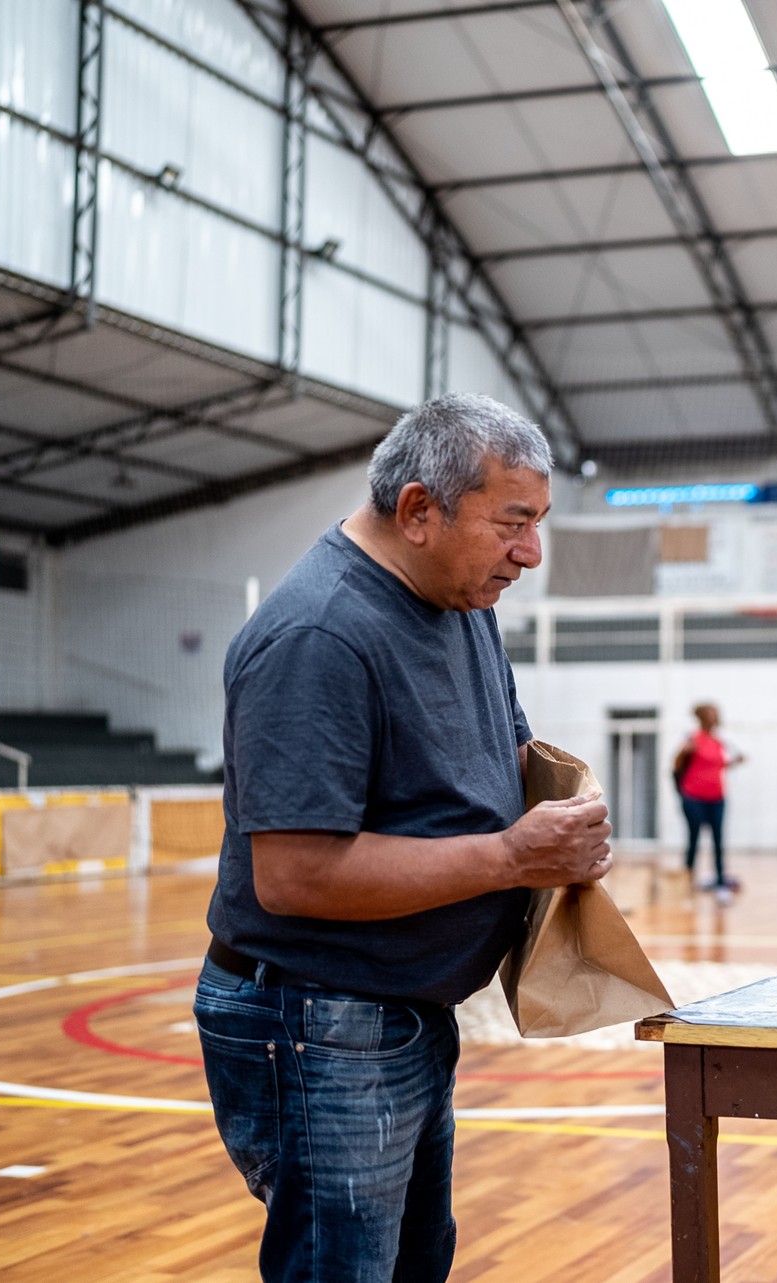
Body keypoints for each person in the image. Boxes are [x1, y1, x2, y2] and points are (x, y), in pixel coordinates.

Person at [194, 393, 615, 1283]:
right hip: (317, 1019)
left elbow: (504, 753)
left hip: (399, 1013)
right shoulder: (319, 635)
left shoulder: (462, 598)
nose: (530, 552)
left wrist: (561, 813)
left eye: (536, 523)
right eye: (513, 522)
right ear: (419, 509)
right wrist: (513, 856)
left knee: (416, 1264)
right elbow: (297, 876)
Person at [675, 702, 743, 899]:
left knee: (718, 841)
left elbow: (718, 764)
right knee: (693, 840)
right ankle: (686, 881)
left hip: (717, 798)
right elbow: (677, 763)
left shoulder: (718, 742)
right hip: (694, 798)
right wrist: (685, 751)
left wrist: (735, 762)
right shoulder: (693, 739)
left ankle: (721, 882)